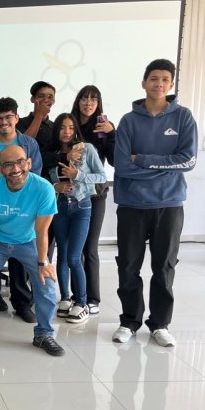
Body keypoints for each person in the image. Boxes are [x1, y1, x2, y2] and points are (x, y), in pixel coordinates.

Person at [112, 59, 198, 347]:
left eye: (164, 79)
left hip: (169, 204)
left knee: (163, 267)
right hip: (132, 205)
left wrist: (144, 160)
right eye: (153, 78)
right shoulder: (128, 121)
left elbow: (187, 160)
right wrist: (162, 165)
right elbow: (122, 167)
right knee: (128, 266)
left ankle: (160, 324)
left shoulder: (183, 118)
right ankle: (129, 321)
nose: (158, 83)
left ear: (170, 84)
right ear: (143, 82)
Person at [0, 145, 64, 356]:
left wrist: (43, 263)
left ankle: (44, 334)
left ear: (29, 163)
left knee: (46, 283)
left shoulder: (44, 188)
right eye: (8, 164)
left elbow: (42, 230)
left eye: (20, 162)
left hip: (28, 241)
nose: (15, 169)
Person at [0, 97, 43, 321]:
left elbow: (35, 179)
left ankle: (22, 303)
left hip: (22, 216)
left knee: (20, 266)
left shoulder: (29, 145)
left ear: (16, 118)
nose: (3, 122)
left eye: (8, 117)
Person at [47, 113, 107, 324]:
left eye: (71, 128)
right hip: (60, 206)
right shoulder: (54, 154)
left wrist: (78, 175)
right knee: (62, 256)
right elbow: (47, 181)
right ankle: (64, 299)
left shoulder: (86, 149)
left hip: (82, 207)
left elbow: (101, 176)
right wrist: (56, 186)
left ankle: (81, 302)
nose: (67, 132)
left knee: (74, 257)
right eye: (62, 128)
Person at [71, 85, 116, 315]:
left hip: (96, 193)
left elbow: (115, 159)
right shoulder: (69, 124)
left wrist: (111, 134)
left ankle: (93, 298)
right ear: (78, 100)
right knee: (73, 249)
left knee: (90, 247)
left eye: (94, 99)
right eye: (84, 98)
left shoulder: (103, 127)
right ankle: (76, 295)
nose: (88, 103)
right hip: (71, 193)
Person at [17, 81, 56, 155]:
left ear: (54, 101)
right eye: (41, 96)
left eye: (50, 97)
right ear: (32, 99)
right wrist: (40, 115)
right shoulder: (19, 123)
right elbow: (24, 145)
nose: (46, 99)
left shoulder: (55, 127)